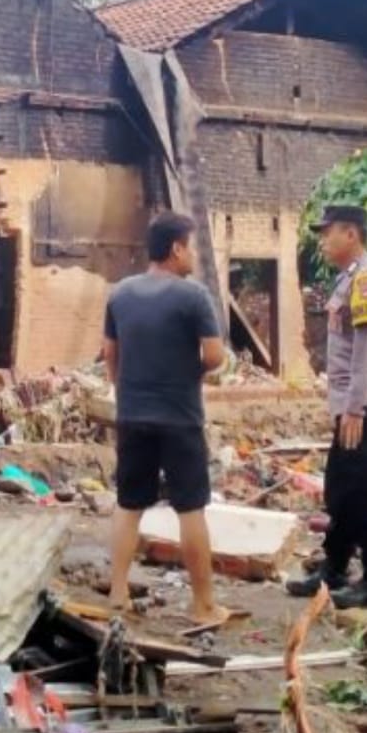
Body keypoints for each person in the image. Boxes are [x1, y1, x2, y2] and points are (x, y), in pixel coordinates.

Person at [103, 211, 232, 627]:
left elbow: (110, 355)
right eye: (190, 246)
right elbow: (213, 356)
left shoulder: (120, 294)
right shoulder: (192, 297)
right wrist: (191, 371)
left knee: (129, 504)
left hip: (132, 414)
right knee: (190, 508)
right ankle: (203, 607)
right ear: (176, 248)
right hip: (179, 417)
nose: (192, 255)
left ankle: (118, 593)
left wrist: (127, 389)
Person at [286, 205, 367, 610]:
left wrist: (355, 408)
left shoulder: (366, 280)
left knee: (366, 493)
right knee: (342, 488)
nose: (323, 240)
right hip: (355, 406)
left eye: (328, 232)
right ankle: (334, 567)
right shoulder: (349, 279)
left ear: (351, 234)